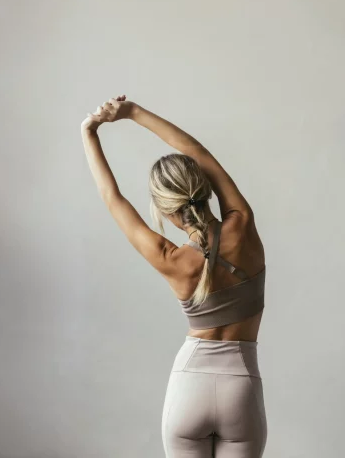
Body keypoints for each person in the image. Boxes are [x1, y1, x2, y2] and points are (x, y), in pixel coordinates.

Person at [81, 95, 267, 458]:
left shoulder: (170, 258)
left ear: (164, 209)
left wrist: (90, 133)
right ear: (206, 188)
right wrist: (133, 112)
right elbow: (194, 149)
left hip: (189, 388)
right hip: (241, 387)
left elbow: (111, 196)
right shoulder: (243, 225)